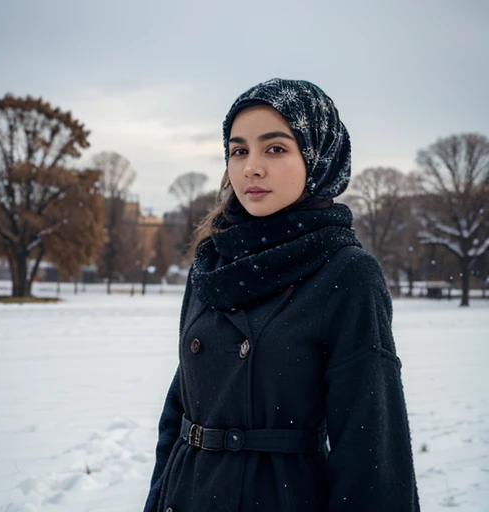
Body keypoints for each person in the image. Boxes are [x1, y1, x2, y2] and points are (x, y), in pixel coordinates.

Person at [142, 78, 420, 512]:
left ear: (319, 157)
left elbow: (371, 452)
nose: (251, 167)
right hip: (186, 494)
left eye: (275, 148)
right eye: (239, 150)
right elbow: (179, 411)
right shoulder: (213, 262)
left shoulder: (347, 272)